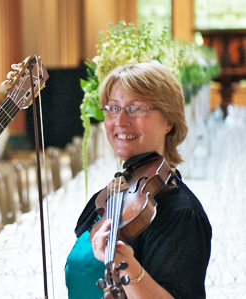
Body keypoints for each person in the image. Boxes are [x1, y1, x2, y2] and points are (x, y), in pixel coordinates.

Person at [65, 63, 212, 298]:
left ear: (169, 121)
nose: (120, 120)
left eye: (135, 108)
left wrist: (130, 269)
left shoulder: (181, 213)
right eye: (112, 108)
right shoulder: (110, 196)